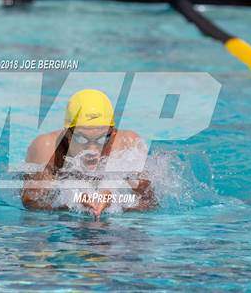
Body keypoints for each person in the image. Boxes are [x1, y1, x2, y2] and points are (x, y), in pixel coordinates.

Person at [22, 89, 156, 219]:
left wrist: (114, 201)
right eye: (81, 138)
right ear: (67, 134)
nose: (92, 149)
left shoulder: (128, 145)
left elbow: (150, 202)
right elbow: (32, 202)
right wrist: (72, 203)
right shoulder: (48, 148)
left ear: (112, 133)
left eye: (102, 139)